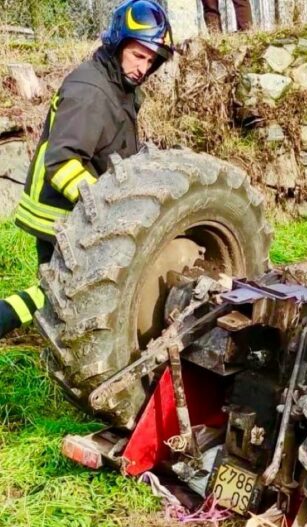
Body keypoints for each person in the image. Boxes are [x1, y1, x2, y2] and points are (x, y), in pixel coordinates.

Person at [0, 0, 174, 339]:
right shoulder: (92, 90)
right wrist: (110, 209)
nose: (143, 67)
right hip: (58, 213)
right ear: (117, 42)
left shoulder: (117, 87)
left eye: (151, 61)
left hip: (75, 209)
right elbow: (63, 164)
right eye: (139, 55)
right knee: (61, 294)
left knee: (58, 295)